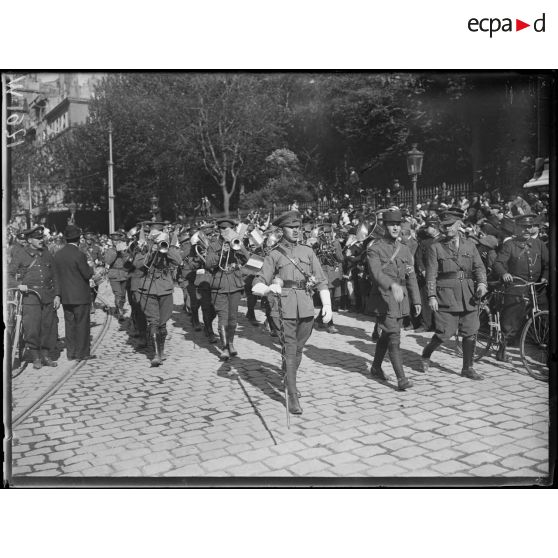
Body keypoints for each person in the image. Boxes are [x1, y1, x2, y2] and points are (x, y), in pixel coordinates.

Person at [252, 210, 331, 415]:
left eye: (297, 228)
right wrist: (268, 289)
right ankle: (293, 394)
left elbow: (320, 279)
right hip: (283, 306)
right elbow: (258, 281)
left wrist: (327, 305)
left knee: (298, 349)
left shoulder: (307, 251)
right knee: (289, 348)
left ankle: (288, 377)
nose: (295, 231)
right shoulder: (275, 254)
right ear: (282, 230)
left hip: (305, 305)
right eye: (291, 228)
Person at [421, 209, 488, 380]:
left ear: (459, 224)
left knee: (470, 331)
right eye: (444, 225)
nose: (447, 228)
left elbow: (479, 267)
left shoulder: (470, 245)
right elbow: (431, 274)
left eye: (450, 225)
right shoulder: (435, 247)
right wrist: (431, 296)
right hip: (446, 295)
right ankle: (427, 352)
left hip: (469, 294)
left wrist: (481, 283)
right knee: (445, 332)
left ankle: (468, 368)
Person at [366, 210, 421, 390]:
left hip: (400, 299)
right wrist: (392, 285)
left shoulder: (404, 249)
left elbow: (410, 276)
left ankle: (375, 367)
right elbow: (376, 274)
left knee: (388, 333)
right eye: (391, 224)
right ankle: (401, 379)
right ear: (384, 226)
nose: (396, 227)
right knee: (394, 336)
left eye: (398, 224)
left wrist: (417, 300)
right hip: (384, 297)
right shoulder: (375, 248)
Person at [492, 214, 549, 362]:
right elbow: (498, 263)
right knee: (510, 322)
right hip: (517, 287)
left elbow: (548, 264)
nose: (526, 229)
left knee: (545, 319)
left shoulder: (539, 244)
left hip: (537, 289)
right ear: (517, 227)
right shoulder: (510, 245)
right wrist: (504, 273)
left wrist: (545, 277)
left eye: (529, 226)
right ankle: (502, 350)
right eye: (523, 226)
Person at [8, 225, 61, 369]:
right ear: (30, 240)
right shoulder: (20, 253)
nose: (41, 240)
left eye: (42, 237)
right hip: (30, 296)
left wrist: (57, 294)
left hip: (48, 295)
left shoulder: (47, 253)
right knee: (32, 328)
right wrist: (18, 285)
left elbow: (55, 274)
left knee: (48, 326)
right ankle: (35, 356)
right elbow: (8, 274)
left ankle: (45, 355)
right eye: (38, 238)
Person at [133, 229, 182, 366]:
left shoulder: (167, 248)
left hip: (165, 288)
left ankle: (161, 350)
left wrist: (166, 247)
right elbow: (137, 265)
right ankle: (156, 355)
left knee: (163, 322)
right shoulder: (144, 248)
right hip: (147, 289)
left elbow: (178, 261)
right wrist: (150, 250)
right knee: (153, 322)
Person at [204, 217, 250, 360]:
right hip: (220, 285)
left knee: (233, 318)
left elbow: (247, 260)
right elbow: (209, 264)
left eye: (227, 229)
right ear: (218, 230)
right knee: (223, 317)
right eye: (222, 229)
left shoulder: (236, 243)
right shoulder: (213, 245)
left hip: (235, 284)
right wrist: (220, 251)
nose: (225, 231)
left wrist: (238, 245)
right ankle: (224, 348)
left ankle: (230, 343)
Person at [54, 225, 95, 361]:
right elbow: (87, 274)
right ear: (78, 239)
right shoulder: (79, 254)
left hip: (66, 296)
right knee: (82, 324)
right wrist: (91, 267)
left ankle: (71, 353)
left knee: (69, 325)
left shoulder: (58, 254)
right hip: (80, 296)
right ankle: (82, 353)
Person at [104, 230, 130, 321]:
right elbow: (108, 261)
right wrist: (115, 251)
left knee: (123, 295)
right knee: (118, 294)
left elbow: (128, 261)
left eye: (118, 241)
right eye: (114, 241)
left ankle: (120, 307)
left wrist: (123, 252)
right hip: (114, 275)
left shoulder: (125, 250)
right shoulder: (110, 250)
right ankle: (120, 313)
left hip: (124, 274)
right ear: (112, 241)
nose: (116, 242)